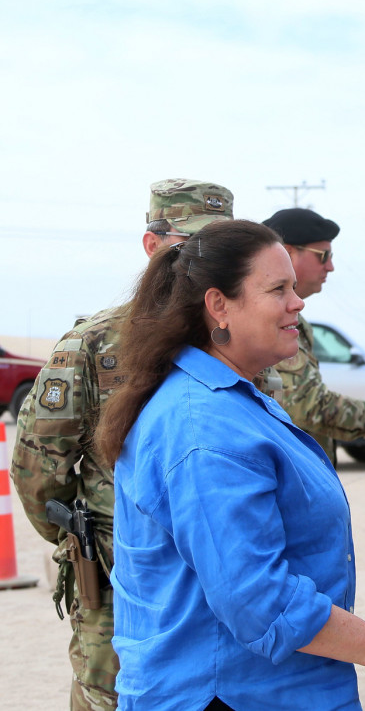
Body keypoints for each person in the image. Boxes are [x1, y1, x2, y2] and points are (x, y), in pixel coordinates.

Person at [93, 219, 365, 710]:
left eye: (294, 288)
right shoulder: (204, 429)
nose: (297, 303)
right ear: (219, 306)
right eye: (278, 290)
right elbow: (255, 597)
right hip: (229, 693)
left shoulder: (233, 399)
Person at [10, 179, 236, 710]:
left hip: (222, 571)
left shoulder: (242, 337)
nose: (199, 263)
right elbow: (39, 472)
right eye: (188, 246)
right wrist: (90, 536)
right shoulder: (93, 344)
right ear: (151, 245)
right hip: (119, 578)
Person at [262, 207, 365, 467]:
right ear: (286, 252)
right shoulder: (269, 317)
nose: (330, 266)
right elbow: (307, 405)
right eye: (323, 256)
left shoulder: (293, 319)